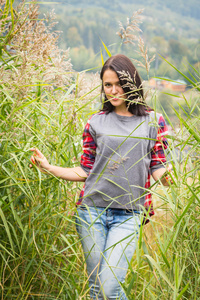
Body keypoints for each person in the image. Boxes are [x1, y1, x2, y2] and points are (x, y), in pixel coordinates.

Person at [30, 54, 172, 300]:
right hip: (91, 212)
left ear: (132, 82)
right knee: (97, 289)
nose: (114, 90)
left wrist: (169, 176)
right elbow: (86, 170)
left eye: (119, 83)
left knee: (109, 288)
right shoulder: (96, 122)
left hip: (129, 214)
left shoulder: (153, 120)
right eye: (108, 85)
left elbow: (158, 166)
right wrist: (49, 167)